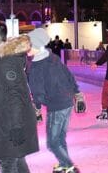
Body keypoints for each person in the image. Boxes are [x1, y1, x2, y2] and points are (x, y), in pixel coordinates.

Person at [0, 21, 38, 172]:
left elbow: (16, 95)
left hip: (10, 124)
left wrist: (17, 126)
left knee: (8, 165)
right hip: (4, 121)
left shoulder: (7, 63)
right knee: (17, 163)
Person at [27, 28, 83, 173]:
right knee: (60, 138)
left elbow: (37, 92)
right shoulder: (53, 58)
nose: (26, 48)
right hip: (67, 102)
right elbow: (69, 75)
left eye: (29, 45)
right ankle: (64, 165)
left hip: (56, 105)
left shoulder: (36, 66)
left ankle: (69, 166)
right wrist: (77, 93)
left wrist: (37, 108)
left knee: (52, 143)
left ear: (36, 45)